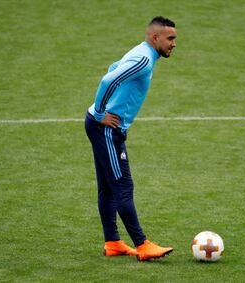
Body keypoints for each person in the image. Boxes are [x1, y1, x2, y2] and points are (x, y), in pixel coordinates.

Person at [84, 16, 177, 261]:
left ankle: (113, 242)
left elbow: (114, 67)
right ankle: (142, 245)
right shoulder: (145, 59)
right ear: (155, 37)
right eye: (170, 38)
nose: (174, 43)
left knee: (108, 187)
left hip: (102, 126)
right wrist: (102, 113)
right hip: (106, 129)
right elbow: (109, 79)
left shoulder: (142, 52)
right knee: (123, 186)